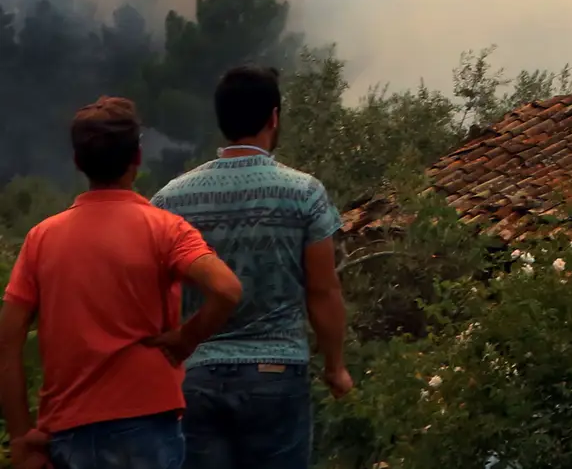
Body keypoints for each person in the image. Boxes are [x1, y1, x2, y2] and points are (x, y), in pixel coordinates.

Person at [0, 97, 243, 469]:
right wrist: (185, 339)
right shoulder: (165, 229)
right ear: (137, 159)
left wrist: (21, 438)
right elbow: (226, 289)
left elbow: (8, 341)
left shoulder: (40, 239)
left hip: (68, 432)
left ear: (79, 162)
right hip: (148, 428)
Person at [149, 64, 351, 469]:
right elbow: (323, 291)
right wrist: (335, 367)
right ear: (274, 117)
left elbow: (152, 289)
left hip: (197, 377)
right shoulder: (304, 193)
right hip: (277, 373)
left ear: (222, 120)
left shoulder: (171, 199)